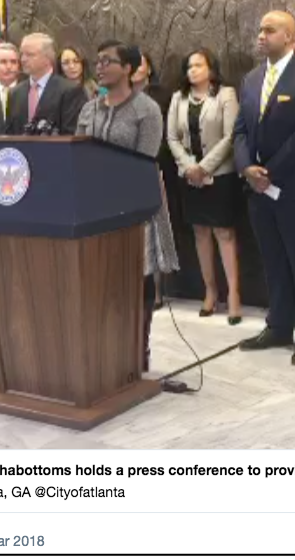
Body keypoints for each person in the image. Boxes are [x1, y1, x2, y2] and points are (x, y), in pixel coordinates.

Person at [234, 11, 295, 364]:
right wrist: (246, 167)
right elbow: (241, 129)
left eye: (270, 30)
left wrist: (269, 172)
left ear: (290, 37)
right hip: (258, 189)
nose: (261, 35)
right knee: (273, 260)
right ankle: (278, 326)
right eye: (260, 30)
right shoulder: (251, 78)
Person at [76, 40, 179, 373]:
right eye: (98, 60)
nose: (100, 66)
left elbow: (143, 162)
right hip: (94, 206)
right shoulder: (89, 109)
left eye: (108, 61)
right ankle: (106, 349)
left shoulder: (146, 110)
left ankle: (138, 347)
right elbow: (77, 154)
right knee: (103, 280)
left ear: (128, 69)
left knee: (137, 278)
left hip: (135, 206)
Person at [167, 48, 242, 323]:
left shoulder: (225, 95)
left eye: (198, 65)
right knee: (200, 232)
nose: (192, 71)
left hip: (219, 174)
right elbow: (172, 138)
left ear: (211, 69)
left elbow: (231, 136)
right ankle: (210, 291)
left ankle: (233, 294)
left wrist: (205, 167)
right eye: (189, 66)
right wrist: (190, 166)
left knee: (224, 232)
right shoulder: (178, 98)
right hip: (189, 175)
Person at [132, 51, 172, 309]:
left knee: (152, 233)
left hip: (152, 167)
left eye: (141, 64)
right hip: (121, 171)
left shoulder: (160, 95)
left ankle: (155, 292)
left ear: (148, 68)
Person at [5, 33, 87, 135]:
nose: (23, 59)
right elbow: (9, 134)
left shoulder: (70, 91)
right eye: (22, 54)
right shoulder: (15, 93)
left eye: (30, 54)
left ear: (47, 58)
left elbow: (71, 134)